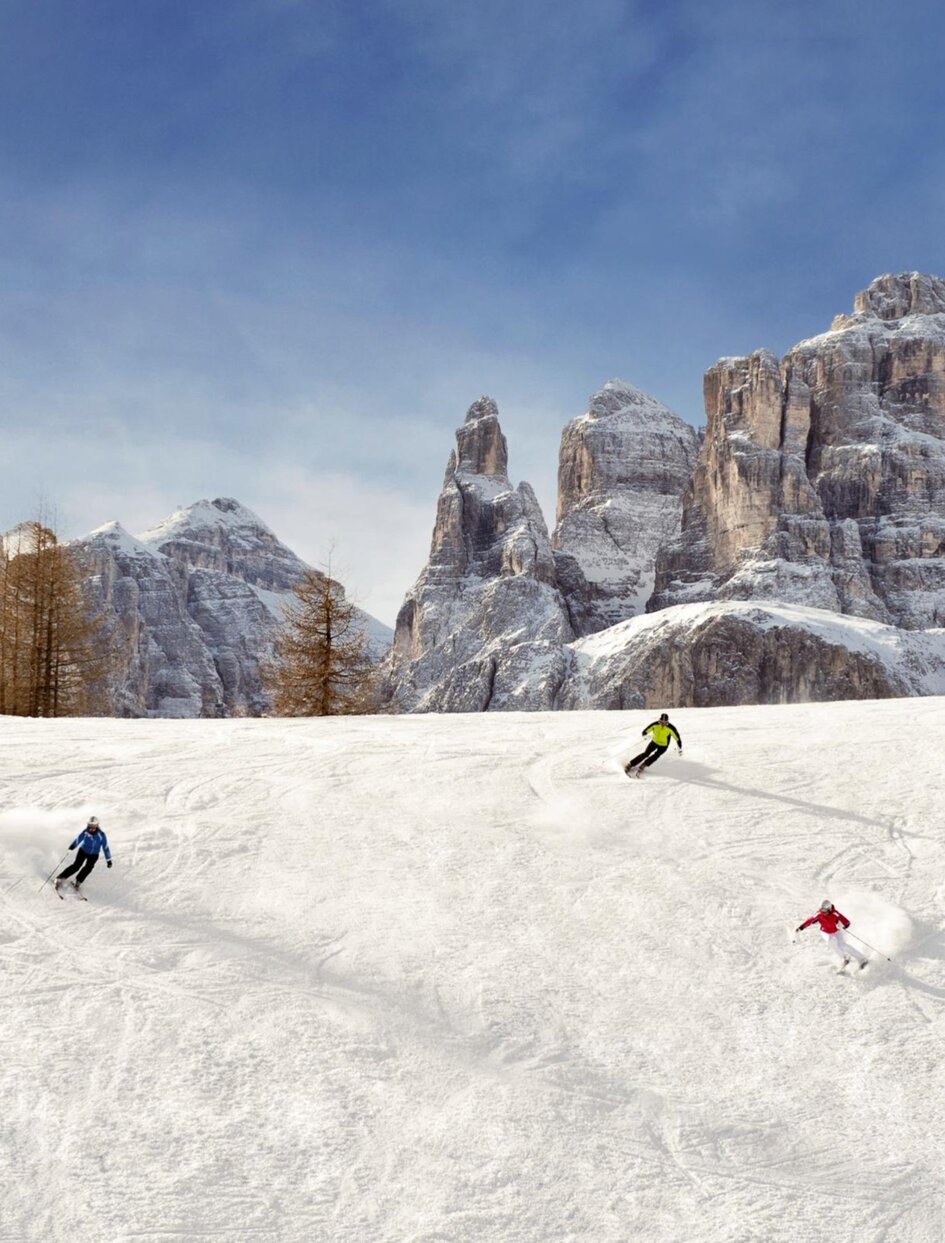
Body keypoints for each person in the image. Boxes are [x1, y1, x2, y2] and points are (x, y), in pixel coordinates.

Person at [796, 900, 867, 972]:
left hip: (836, 931)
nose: (823, 912)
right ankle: (845, 958)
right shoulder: (818, 914)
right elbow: (809, 920)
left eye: (825, 910)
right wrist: (801, 928)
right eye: (821, 910)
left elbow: (845, 921)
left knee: (843, 945)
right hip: (825, 932)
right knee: (831, 941)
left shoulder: (835, 913)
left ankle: (862, 959)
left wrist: (845, 925)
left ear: (829, 909)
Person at [54, 816, 113, 895]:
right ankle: (60, 878)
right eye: (90, 827)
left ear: (97, 826)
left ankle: (77, 881)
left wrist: (108, 860)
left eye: (93, 827)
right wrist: (72, 846)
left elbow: (105, 847)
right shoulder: (85, 832)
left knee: (88, 868)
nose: (91, 829)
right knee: (76, 866)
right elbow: (78, 839)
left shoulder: (101, 835)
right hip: (83, 851)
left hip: (94, 855)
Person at [625, 713, 682, 778]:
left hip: (663, 746)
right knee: (646, 754)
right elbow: (644, 732)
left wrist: (680, 748)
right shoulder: (655, 724)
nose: (663, 724)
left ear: (667, 722)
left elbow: (677, 738)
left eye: (665, 722)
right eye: (661, 722)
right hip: (654, 742)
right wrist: (646, 736)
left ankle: (644, 765)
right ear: (659, 720)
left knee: (656, 755)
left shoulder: (671, 728)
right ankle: (631, 764)